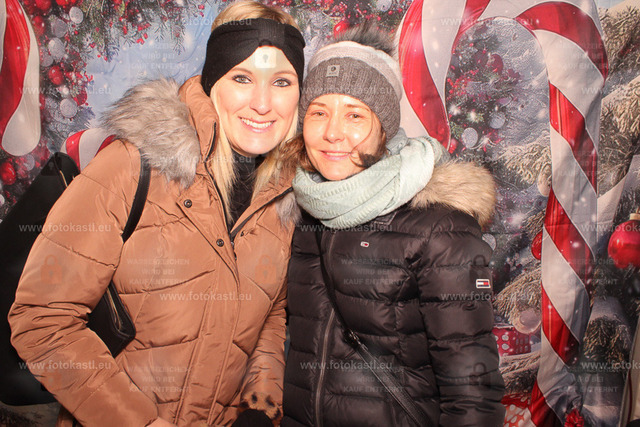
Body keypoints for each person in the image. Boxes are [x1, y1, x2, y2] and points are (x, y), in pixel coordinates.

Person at [8, 1, 304, 425]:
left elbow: (271, 319)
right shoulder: (133, 166)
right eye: (242, 77)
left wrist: (260, 407)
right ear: (213, 81)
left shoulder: (283, 198)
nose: (262, 103)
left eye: (281, 81)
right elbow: (42, 321)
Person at [281, 25, 505, 426]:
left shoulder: (440, 230)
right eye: (318, 112)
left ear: (384, 127)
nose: (332, 133)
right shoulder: (304, 210)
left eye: (354, 114)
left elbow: (473, 395)